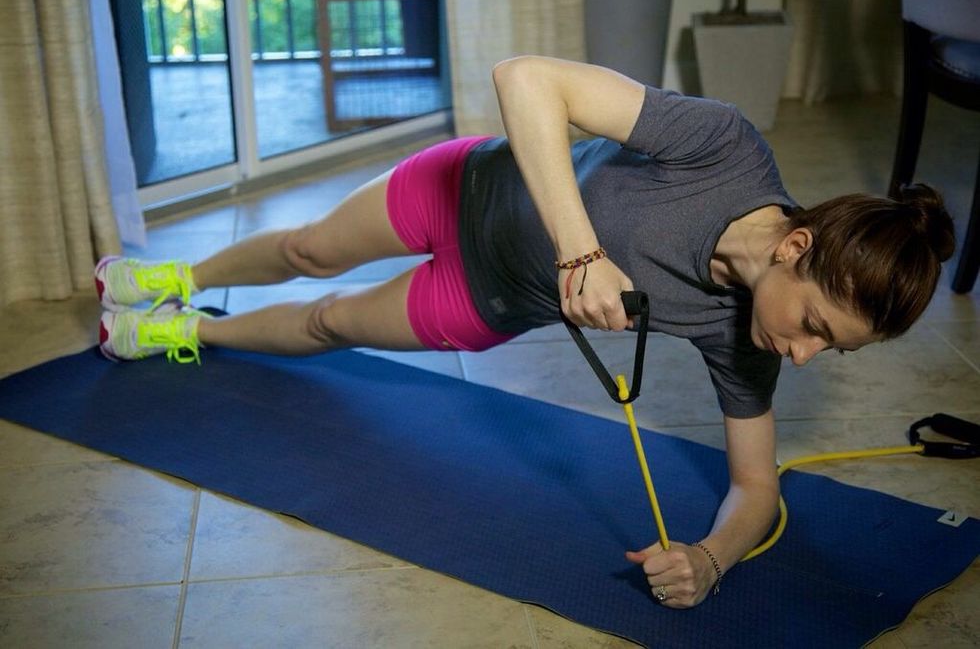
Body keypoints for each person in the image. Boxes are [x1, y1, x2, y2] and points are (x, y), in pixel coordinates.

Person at [94, 56, 956, 608]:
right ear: (796, 248)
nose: (803, 355)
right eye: (813, 325)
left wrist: (711, 557)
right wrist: (582, 253)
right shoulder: (723, 146)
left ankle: (194, 333)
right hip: (461, 185)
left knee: (329, 322)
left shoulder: (744, 339)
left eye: (827, 349)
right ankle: (185, 276)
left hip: (486, 298)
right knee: (309, 249)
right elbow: (526, 79)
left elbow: (756, 488)